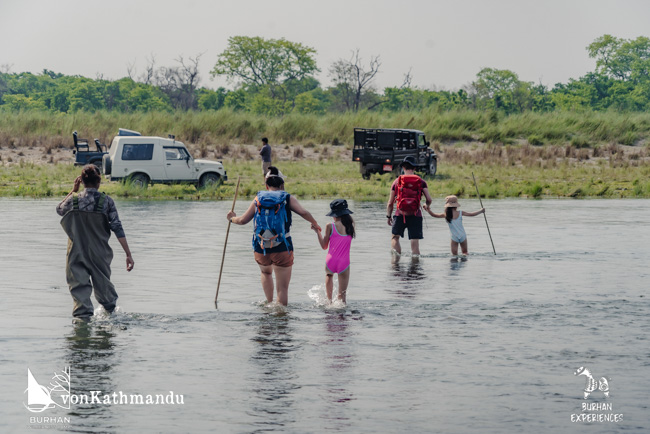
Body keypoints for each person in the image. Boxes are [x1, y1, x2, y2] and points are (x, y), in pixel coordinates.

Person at [227, 166, 321, 306]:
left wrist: (231, 218)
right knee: (282, 289)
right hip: (282, 246)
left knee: (266, 273)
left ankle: (269, 305)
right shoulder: (286, 197)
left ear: (266, 185)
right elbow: (303, 212)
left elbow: (242, 220)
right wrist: (315, 223)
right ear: (282, 184)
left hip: (261, 247)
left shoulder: (258, 198)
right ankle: (280, 317)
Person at [56, 164, 134, 324]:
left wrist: (73, 190)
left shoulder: (74, 200)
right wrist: (128, 254)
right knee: (107, 299)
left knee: (81, 303)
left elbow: (59, 210)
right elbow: (117, 228)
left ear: (82, 181)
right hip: (100, 254)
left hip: (75, 254)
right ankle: (109, 329)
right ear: (99, 182)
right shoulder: (106, 202)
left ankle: (81, 336)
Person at [386, 156, 433, 256]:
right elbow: (429, 199)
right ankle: (415, 267)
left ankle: (396, 263)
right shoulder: (421, 182)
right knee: (414, 243)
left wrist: (389, 216)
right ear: (414, 168)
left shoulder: (396, 182)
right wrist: (426, 205)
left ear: (403, 167)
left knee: (395, 238)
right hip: (416, 215)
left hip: (400, 214)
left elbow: (390, 203)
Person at [313, 199, 355, 304]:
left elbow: (324, 246)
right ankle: (342, 317)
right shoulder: (351, 225)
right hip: (344, 262)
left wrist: (317, 232)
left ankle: (329, 307)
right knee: (342, 297)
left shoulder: (330, 226)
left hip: (331, 260)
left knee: (328, 302)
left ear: (334, 214)